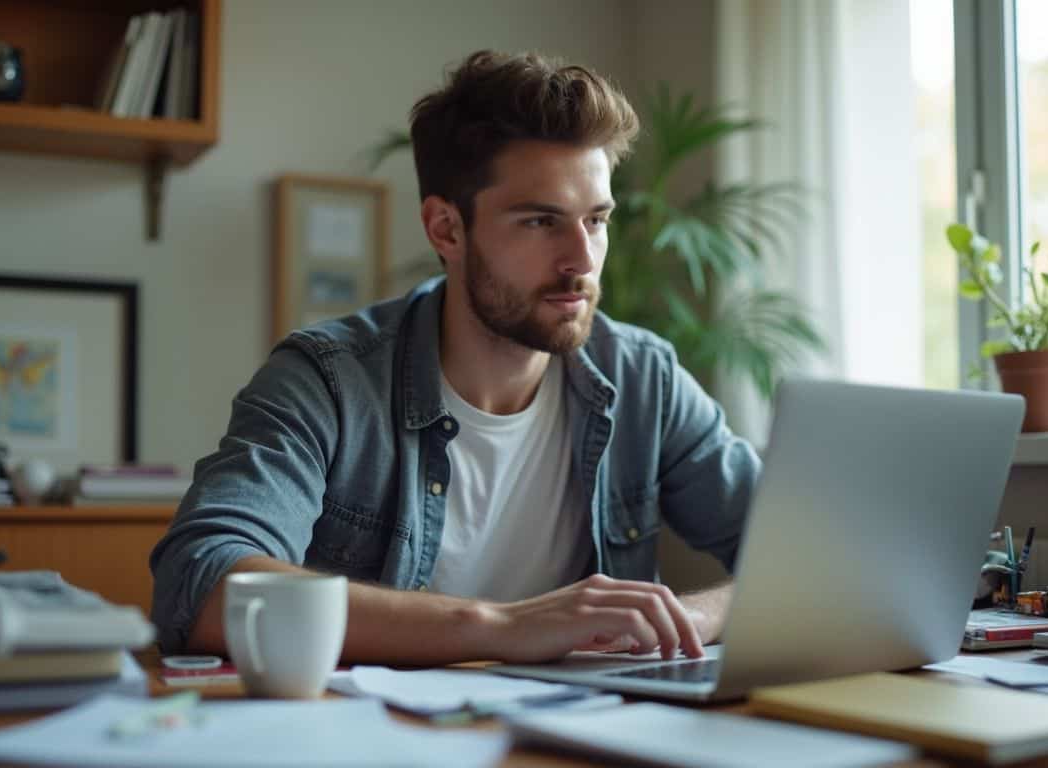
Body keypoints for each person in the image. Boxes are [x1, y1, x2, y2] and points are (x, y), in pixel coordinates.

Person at [149, 50, 760, 665]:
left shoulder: (643, 377)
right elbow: (202, 582)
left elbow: (808, 560)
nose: (581, 259)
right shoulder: (329, 380)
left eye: (596, 220)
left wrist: (688, 618)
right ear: (446, 229)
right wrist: (499, 627)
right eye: (541, 222)